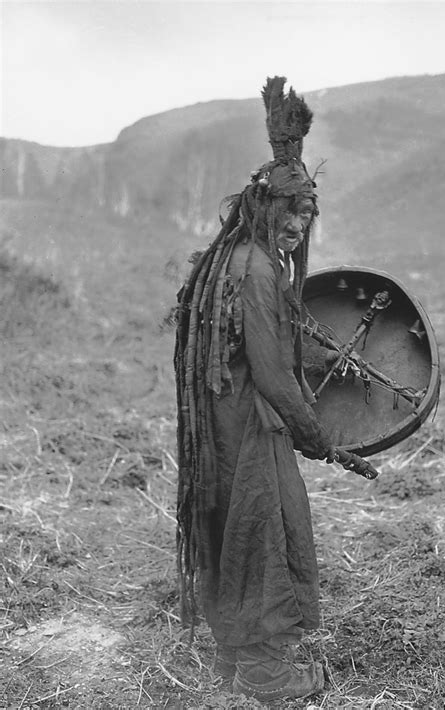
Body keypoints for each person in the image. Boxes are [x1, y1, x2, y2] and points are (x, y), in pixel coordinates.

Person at [174, 76, 337, 702]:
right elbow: (270, 372)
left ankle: (236, 655)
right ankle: (269, 674)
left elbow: (263, 344)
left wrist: (324, 356)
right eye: (291, 213)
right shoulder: (259, 271)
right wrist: (317, 437)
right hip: (250, 426)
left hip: (222, 423)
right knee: (267, 532)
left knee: (234, 533)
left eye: (307, 215)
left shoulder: (236, 259)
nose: (298, 226)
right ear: (264, 208)